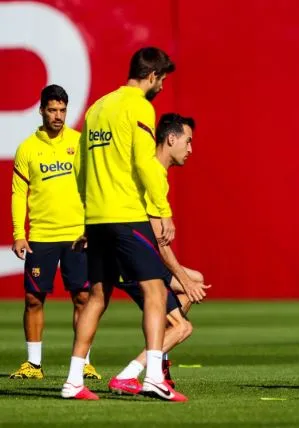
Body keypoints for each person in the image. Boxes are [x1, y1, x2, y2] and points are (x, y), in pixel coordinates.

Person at [62, 47, 205, 401]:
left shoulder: (97, 108)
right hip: (126, 213)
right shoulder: (139, 106)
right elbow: (145, 164)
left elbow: (80, 168)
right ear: (153, 76)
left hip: (96, 217)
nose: (162, 87)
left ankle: (73, 381)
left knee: (97, 297)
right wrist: (162, 208)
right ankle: (153, 376)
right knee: (156, 292)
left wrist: (86, 213)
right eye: (163, 80)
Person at [108, 113, 209, 395]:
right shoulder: (151, 173)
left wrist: (187, 281)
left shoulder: (156, 173)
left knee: (194, 282)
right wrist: (183, 279)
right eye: (188, 142)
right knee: (183, 326)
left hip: (131, 254)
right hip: (131, 260)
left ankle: (159, 359)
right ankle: (134, 372)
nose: (191, 150)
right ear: (171, 138)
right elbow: (160, 244)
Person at [9, 85, 100, 380]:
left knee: (83, 298)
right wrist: (18, 233)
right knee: (34, 299)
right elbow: (18, 193)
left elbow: (92, 186)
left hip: (77, 235)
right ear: (42, 110)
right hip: (41, 236)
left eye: (62, 110)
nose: (58, 115)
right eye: (52, 110)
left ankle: (83, 362)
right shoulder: (27, 148)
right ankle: (33, 364)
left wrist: (92, 226)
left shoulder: (78, 142)